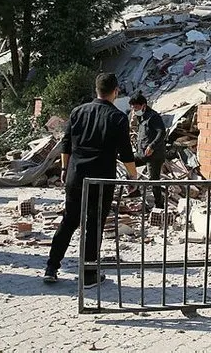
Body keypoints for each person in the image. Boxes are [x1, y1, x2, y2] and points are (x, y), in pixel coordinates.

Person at [45, 73, 137, 288]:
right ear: (116, 91)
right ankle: (88, 275)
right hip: (101, 179)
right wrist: (133, 176)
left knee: (69, 220)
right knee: (94, 225)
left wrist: (65, 168)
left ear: (96, 90)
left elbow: (65, 144)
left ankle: (51, 267)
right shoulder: (117, 117)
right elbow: (126, 153)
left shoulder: (78, 111)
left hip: (76, 175)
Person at [129, 93, 166, 209]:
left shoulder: (153, 117)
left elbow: (161, 132)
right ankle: (134, 191)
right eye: (133, 108)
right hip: (142, 153)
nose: (134, 111)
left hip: (154, 155)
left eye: (136, 108)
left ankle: (159, 205)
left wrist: (152, 146)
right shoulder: (141, 117)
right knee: (129, 163)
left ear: (143, 106)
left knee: (154, 181)